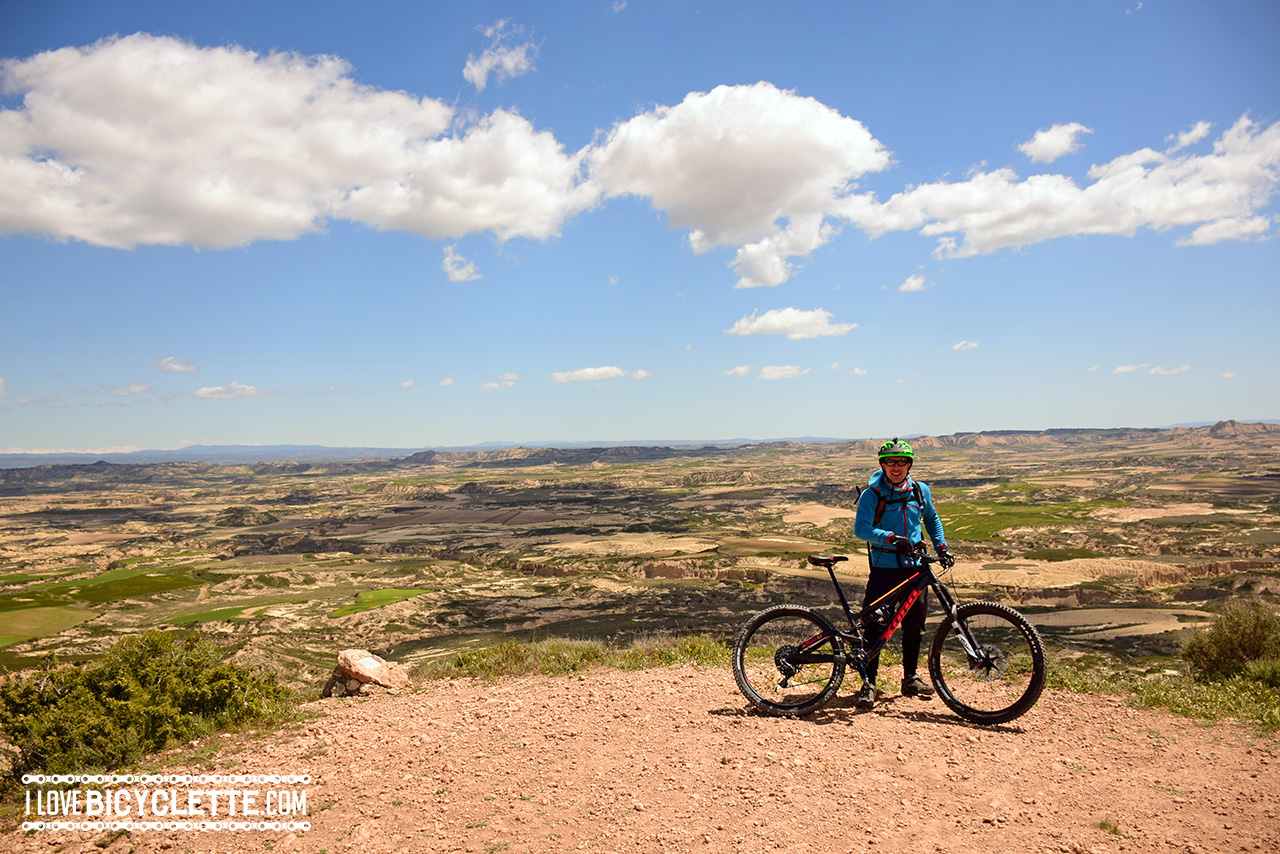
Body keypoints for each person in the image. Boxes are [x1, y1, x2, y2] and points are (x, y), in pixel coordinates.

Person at [851, 438, 954, 709]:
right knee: (874, 626)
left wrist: (941, 546)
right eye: (890, 462)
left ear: (910, 464)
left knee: (914, 625)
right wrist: (891, 538)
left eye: (902, 461)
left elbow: (931, 519)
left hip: (915, 569)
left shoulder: (920, 491)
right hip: (885, 568)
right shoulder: (872, 494)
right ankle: (869, 683)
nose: (896, 467)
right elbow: (861, 529)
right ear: (882, 465)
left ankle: (910, 678)